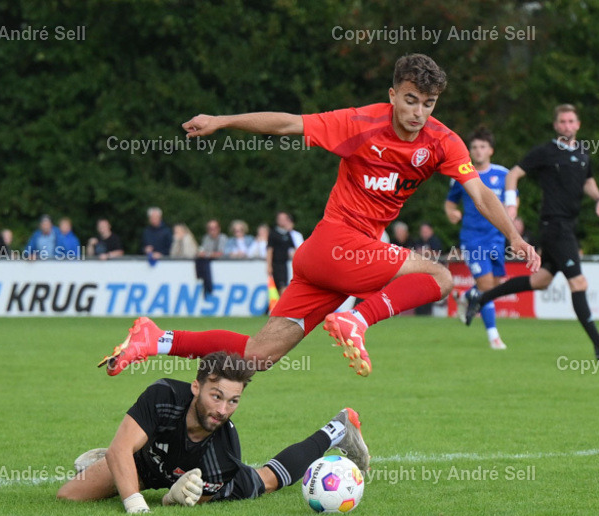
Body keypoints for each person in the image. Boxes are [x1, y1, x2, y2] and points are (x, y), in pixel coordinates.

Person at [99, 54, 538, 378]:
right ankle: (356, 319)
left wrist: (514, 237)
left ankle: (156, 339)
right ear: (392, 95)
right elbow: (289, 124)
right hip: (337, 246)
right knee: (440, 278)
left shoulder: (443, 142)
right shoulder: (359, 122)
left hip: (329, 262)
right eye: (410, 100)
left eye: (429, 103)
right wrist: (224, 120)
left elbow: (478, 192)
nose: (418, 112)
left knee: (256, 357)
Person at [58, 352, 369, 513]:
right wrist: (136, 505)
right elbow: (121, 454)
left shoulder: (225, 452)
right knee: (69, 496)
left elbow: (195, 501)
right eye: (216, 396)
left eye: (233, 401)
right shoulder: (163, 396)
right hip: (149, 462)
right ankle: (120, 459)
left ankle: (338, 428)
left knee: (267, 480)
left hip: (195, 474)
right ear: (196, 387)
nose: (223, 410)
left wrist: (173, 498)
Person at [464, 104, 599, 360]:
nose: (567, 125)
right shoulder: (545, 152)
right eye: (562, 121)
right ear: (555, 125)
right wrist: (510, 204)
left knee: (540, 281)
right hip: (555, 226)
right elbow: (513, 175)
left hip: (567, 226)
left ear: (578, 124)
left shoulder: (583, 152)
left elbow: (588, 180)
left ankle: (482, 297)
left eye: (571, 121)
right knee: (579, 282)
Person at [446, 127, 513, 349]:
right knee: (486, 287)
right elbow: (450, 202)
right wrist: (452, 212)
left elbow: (512, 200)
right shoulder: (462, 175)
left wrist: (511, 213)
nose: (478, 151)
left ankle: (465, 297)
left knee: (495, 284)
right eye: (474, 147)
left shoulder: (504, 174)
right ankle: (494, 336)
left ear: (491, 150)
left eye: (482, 146)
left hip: (496, 237)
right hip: (472, 239)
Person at [266, 212, 295, 295]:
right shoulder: (273, 234)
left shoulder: (287, 234)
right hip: (276, 264)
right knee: (281, 287)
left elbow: (293, 248)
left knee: (283, 286)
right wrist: (269, 265)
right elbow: (269, 250)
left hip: (284, 264)